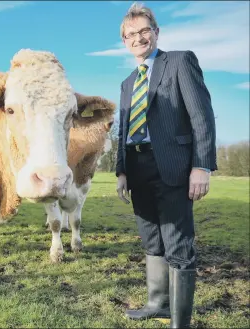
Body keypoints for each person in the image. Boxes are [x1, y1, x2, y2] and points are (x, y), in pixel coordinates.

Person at [115, 3, 216, 328]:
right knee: (151, 239)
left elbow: (202, 116)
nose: (138, 38)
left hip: (173, 166)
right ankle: (158, 303)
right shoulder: (128, 82)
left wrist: (201, 166)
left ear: (156, 32)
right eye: (131, 34)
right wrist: (121, 171)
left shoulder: (180, 61)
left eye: (144, 31)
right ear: (125, 41)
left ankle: (180, 321)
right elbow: (123, 130)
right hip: (138, 168)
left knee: (177, 241)